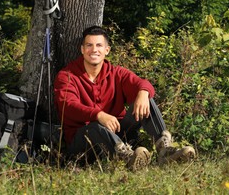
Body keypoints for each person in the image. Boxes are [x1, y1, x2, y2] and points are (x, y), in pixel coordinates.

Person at [53, 26, 195, 171]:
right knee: (94, 126)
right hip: (84, 144)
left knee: (147, 99)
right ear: (82, 49)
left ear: (106, 50)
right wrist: (98, 114)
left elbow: (142, 83)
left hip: (118, 134)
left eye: (99, 45)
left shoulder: (116, 73)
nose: (94, 50)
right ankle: (126, 158)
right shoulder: (67, 76)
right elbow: (68, 105)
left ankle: (165, 151)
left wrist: (143, 93)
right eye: (89, 45)